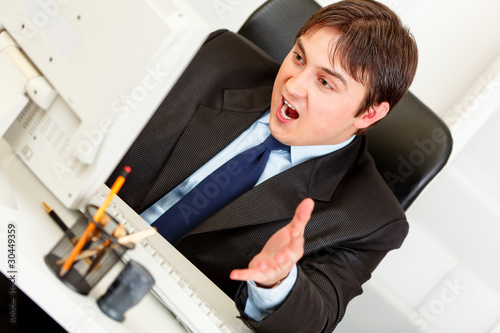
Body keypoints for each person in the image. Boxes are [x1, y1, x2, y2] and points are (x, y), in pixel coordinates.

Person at [108, 0, 418, 331]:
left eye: (325, 83)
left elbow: (313, 322)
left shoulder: (370, 220)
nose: (294, 85)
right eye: (298, 58)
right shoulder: (216, 56)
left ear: (369, 113)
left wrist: (278, 283)